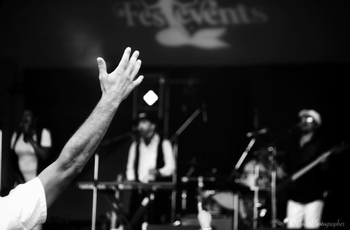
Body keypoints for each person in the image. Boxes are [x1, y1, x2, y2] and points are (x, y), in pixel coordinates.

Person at [0, 46, 144, 230]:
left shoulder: (40, 134)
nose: (24, 121)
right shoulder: (5, 214)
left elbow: (49, 158)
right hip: (20, 185)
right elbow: (68, 165)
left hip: (32, 182)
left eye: (28, 118)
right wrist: (112, 98)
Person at [281, 109, 332, 229]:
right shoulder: (293, 144)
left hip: (313, 197)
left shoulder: (321, 145)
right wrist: (281, 168)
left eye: (309, 119)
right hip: (294, 196)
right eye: (302, 119)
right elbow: (287, 164)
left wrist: (325, 164)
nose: (304, 122)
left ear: (315, 124)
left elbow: (328, 172)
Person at [125, 112, 176, 229]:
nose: (140, 126)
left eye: (143, 123)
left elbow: (171, 167)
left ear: (153, 126)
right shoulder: (135, 145)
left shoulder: (164, 143)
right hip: (139, 190)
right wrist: (131, 180)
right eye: (138, 124)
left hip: (157, 190)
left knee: (156, 222)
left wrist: (159, 171)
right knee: (135, 221)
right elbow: (130, 168)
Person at [11, 109, 52, 187]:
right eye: (23, 115)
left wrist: (29, 138)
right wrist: (19, 179)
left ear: (34, 119)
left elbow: (45, 157)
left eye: (28, 115)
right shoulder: (16, 135)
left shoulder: (43, 133)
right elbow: (12, 161)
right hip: (20, 183)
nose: (25, 118)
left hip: (39, 183)